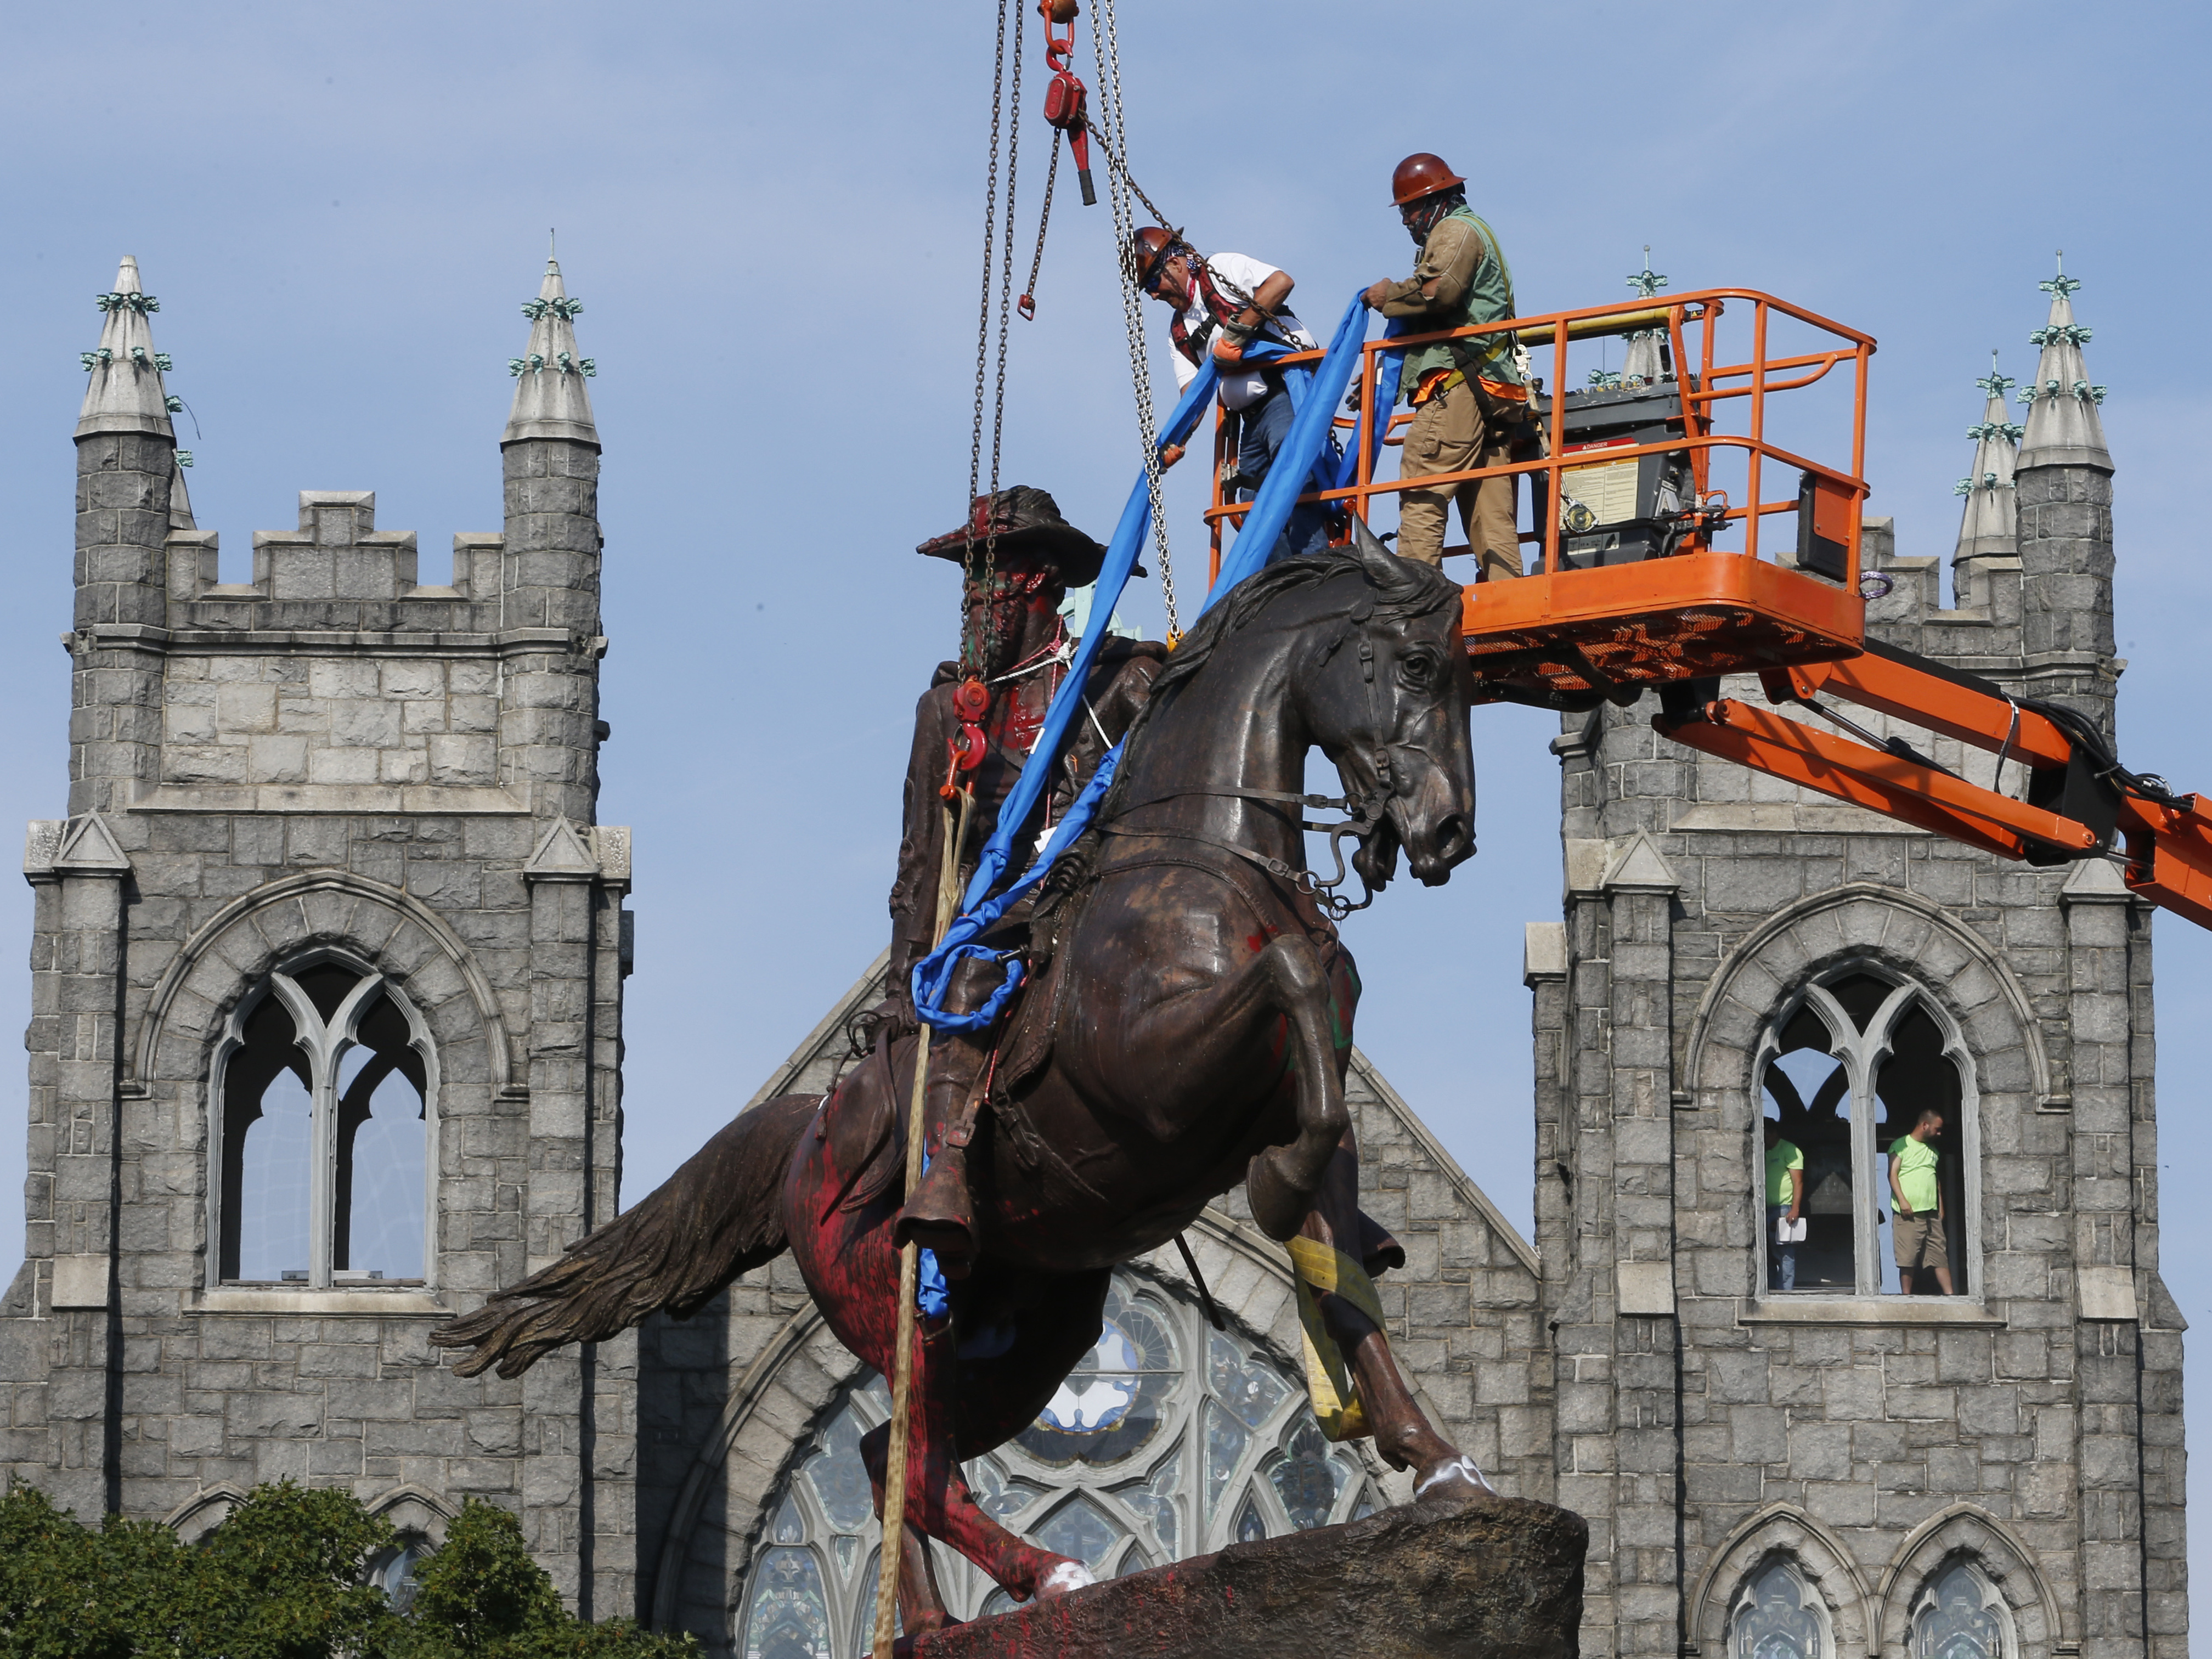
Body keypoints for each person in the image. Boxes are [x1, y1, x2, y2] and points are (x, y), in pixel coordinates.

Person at [884, 486, 1166, 1276]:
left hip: (1108, 903)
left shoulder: (1124, 680)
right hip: (1001, 923)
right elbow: (921, 862)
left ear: (1042, 582)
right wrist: (903, 981)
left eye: (988, 581)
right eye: (969, 585)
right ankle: (944, 1177)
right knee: (964, 989)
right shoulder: (947, 710)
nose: (972, 602)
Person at [1361, 153, 1532, 580]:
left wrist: (1389, 297)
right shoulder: (1473, 230)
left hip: (1458, 389)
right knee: (1489, 509)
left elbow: (1440, 292)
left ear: (1433, 200)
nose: (1404, 221)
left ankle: (1411, 605)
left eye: (1408, 209)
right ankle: (1506, 597)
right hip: (1486, 393)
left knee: (1422, 491)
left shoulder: (1455, 230)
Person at [1127, 226, 1331, 561]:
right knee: (1250, 501)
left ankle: (1317, 565)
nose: (1152, 296)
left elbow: (1281, 283)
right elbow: (1192, 398)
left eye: (1153, 282)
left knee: (1292, 468)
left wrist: (1238, 331)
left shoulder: (1221, 271)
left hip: (1286, 391)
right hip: (1251, 419)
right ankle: (1287, 577)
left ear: (1175, 264)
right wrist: (1176, 442)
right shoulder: (1180, 331)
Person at [1888, 1108, 1954, 1295]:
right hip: (1909, 1213)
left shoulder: (1933, 1150)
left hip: (1931, 1214)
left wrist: (1940, 1205)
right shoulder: (1901, 1145)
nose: (1939, 1133)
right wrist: (1903, 1201)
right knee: (1907, 1257)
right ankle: (1906, 1297)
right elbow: (1892, 1174)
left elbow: (1935, 1179)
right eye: (1937, 1129)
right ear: (1925, 1125)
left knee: (1939, 1256)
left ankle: (1951, 1296)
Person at [1763, 1121, 1805, 1292]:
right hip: (1762, 1208)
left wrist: (1795, 1208)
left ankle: (1785, 1291)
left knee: (1785, 1253)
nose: (1763, 1138)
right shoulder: (1760, 1149)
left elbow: (1798, 1181)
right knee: (1766, 1254)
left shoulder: (1790, 1150)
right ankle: (1770, 1289)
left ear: (1774, 1133)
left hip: (1783, 1209)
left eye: (1765, 1133)